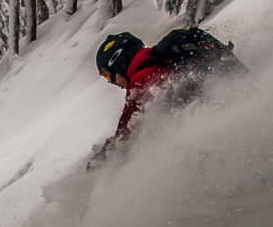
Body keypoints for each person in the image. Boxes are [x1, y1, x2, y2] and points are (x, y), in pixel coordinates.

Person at [87, 29, 246, 171]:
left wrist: (102, 159)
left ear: (118, 61)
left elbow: (125, 135)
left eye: (108, 75)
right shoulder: (161, 59)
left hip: (218, 132)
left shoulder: (140, 80)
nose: (112, 82)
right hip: (231, 109)